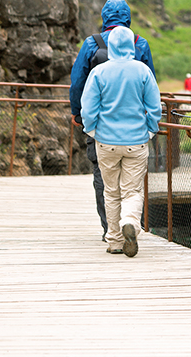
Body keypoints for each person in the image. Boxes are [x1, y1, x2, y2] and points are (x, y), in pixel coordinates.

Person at [69, 0, 155, 239]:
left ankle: (111, 231)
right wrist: (150, 125)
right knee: (132, 184)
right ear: (128, 19)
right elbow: (151, 87)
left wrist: (79, 115)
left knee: (103, 177)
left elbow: (78, 83)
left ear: (104, 18)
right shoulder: (140, 44)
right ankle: (130, 223)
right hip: (135, 129)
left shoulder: (91, 44)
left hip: (101, 127)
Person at [81, 26, 162, 257]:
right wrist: (150, 130)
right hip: (136, 141)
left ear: (111, 47)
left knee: (111, 191)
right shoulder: (143, 71)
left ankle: (115, 241)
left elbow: (88, 109)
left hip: (106, 141)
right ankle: (130, 222)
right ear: (131, 47)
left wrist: (93, 130)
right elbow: (155, 107)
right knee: (133, 190)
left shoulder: (99, 72)